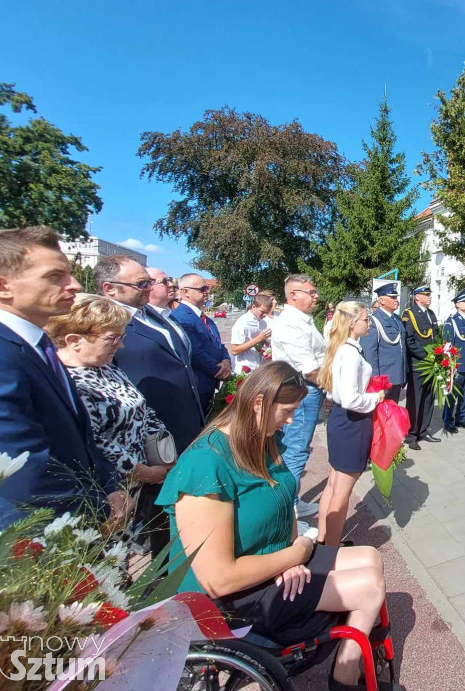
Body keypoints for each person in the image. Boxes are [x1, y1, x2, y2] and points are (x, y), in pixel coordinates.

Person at [156, 362, 391, 691]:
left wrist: (286, 554)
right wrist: (292, 557)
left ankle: (354, 659)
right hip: (227, 601)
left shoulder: (261, 439)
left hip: (270, 561)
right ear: (258, 404)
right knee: (367, 588)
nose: (292, 420)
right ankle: (345, 676)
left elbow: (284, 503)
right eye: (289, 410)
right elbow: (218, 580)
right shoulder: (204, 465)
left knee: (370, 558)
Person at [0, 227, 125, 531]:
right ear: (0, 286)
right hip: (34, 535)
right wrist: (96, 512)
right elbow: (17, 463)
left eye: (71, 274)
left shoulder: (38, 345)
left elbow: (79, 434)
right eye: (55, 276)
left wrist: (109, 486)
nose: (74, 285)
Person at [47, 294, 173, 488]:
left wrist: (164, 455)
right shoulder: (69, 383)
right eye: (113, 338)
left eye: (122, 337)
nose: (120, 345)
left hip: (141, 482)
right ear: (74, 340)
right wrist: (144, 473)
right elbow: (97, 445)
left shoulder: (107, 367)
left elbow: (143, 411)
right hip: (111, 489)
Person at [96, 257, 204, 454]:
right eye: (141, 284)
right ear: (109, 288)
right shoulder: (101, 325)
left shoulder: (153, 314)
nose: (149, 288)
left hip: (185, 424)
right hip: (147, 438)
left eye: (150, 282)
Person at [316, 302, 386, 547]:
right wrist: (375, 398)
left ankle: (324, 539)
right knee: (341, 492)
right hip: (352, 423)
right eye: (366, 319)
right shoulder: (349, 352)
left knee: (333, 484)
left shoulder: (343, 348)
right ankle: (331, 551)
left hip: (341, 420)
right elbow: (350, 398)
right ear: (353, 323)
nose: (368, 323)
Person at [270, 274, 326, 519]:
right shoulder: (291, 323)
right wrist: (336, 389)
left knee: (293, 449)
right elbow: (310, 369)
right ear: (293, 295)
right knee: (295, 451)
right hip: (301, 392)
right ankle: (287, 511)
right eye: (311, 293)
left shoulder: (303, 319)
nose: (316, 297)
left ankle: (291, 500)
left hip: (303, 391)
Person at [173, 274, 232, 415]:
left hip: (209, 384)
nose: (207, 292)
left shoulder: (206, 319)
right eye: (203, 289)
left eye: (208, 288)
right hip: (198, 384)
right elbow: (194, 352)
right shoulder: (181, 318)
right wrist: (219, 372)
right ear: (185, 292)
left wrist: (226, 360)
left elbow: (219, 344)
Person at [401, 285, 441, 449]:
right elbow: (409, 342)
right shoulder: (409, 314)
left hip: (432, 364)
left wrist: (440, 354)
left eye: (429, 294)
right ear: (417, 297)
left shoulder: (431, 314)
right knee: (415, 399)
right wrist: (428, 357)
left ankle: (424, 430)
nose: (429, 297)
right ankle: (411, 435)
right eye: (426, 294)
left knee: (428, 398)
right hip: (418, 364)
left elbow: (436, 337)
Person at [360, 283, 406, 403]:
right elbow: (370, 353)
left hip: (397, 375)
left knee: (392, 414)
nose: (396, 300)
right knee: (380, 417)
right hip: (383, 376)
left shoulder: (397, 319)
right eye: (392, 297)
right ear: (381, 300)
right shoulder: (373, 320)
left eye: (396, 297)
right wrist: (375, 380)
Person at [442, 290, 465, 434]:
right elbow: (447, 346)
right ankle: (448, 421)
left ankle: (461, 418)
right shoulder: (452, 322)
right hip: (457, 366)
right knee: (452, 395)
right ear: (457, 304)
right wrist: (450, 365)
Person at [146, 267, 190, 351]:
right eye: (164, 282)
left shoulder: (168, 315)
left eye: (169, 280)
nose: (171, 284)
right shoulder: (140, 318)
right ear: (148, 286)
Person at [229, 293, 274, 373]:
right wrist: (258, 339)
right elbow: (234, 350)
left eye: (267, 312)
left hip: (260, 367)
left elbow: (262, 343)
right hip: (245, 369)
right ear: (253, 307)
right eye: (262, 312)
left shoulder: (263, 322)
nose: (265, 315)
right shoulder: (242, 322)